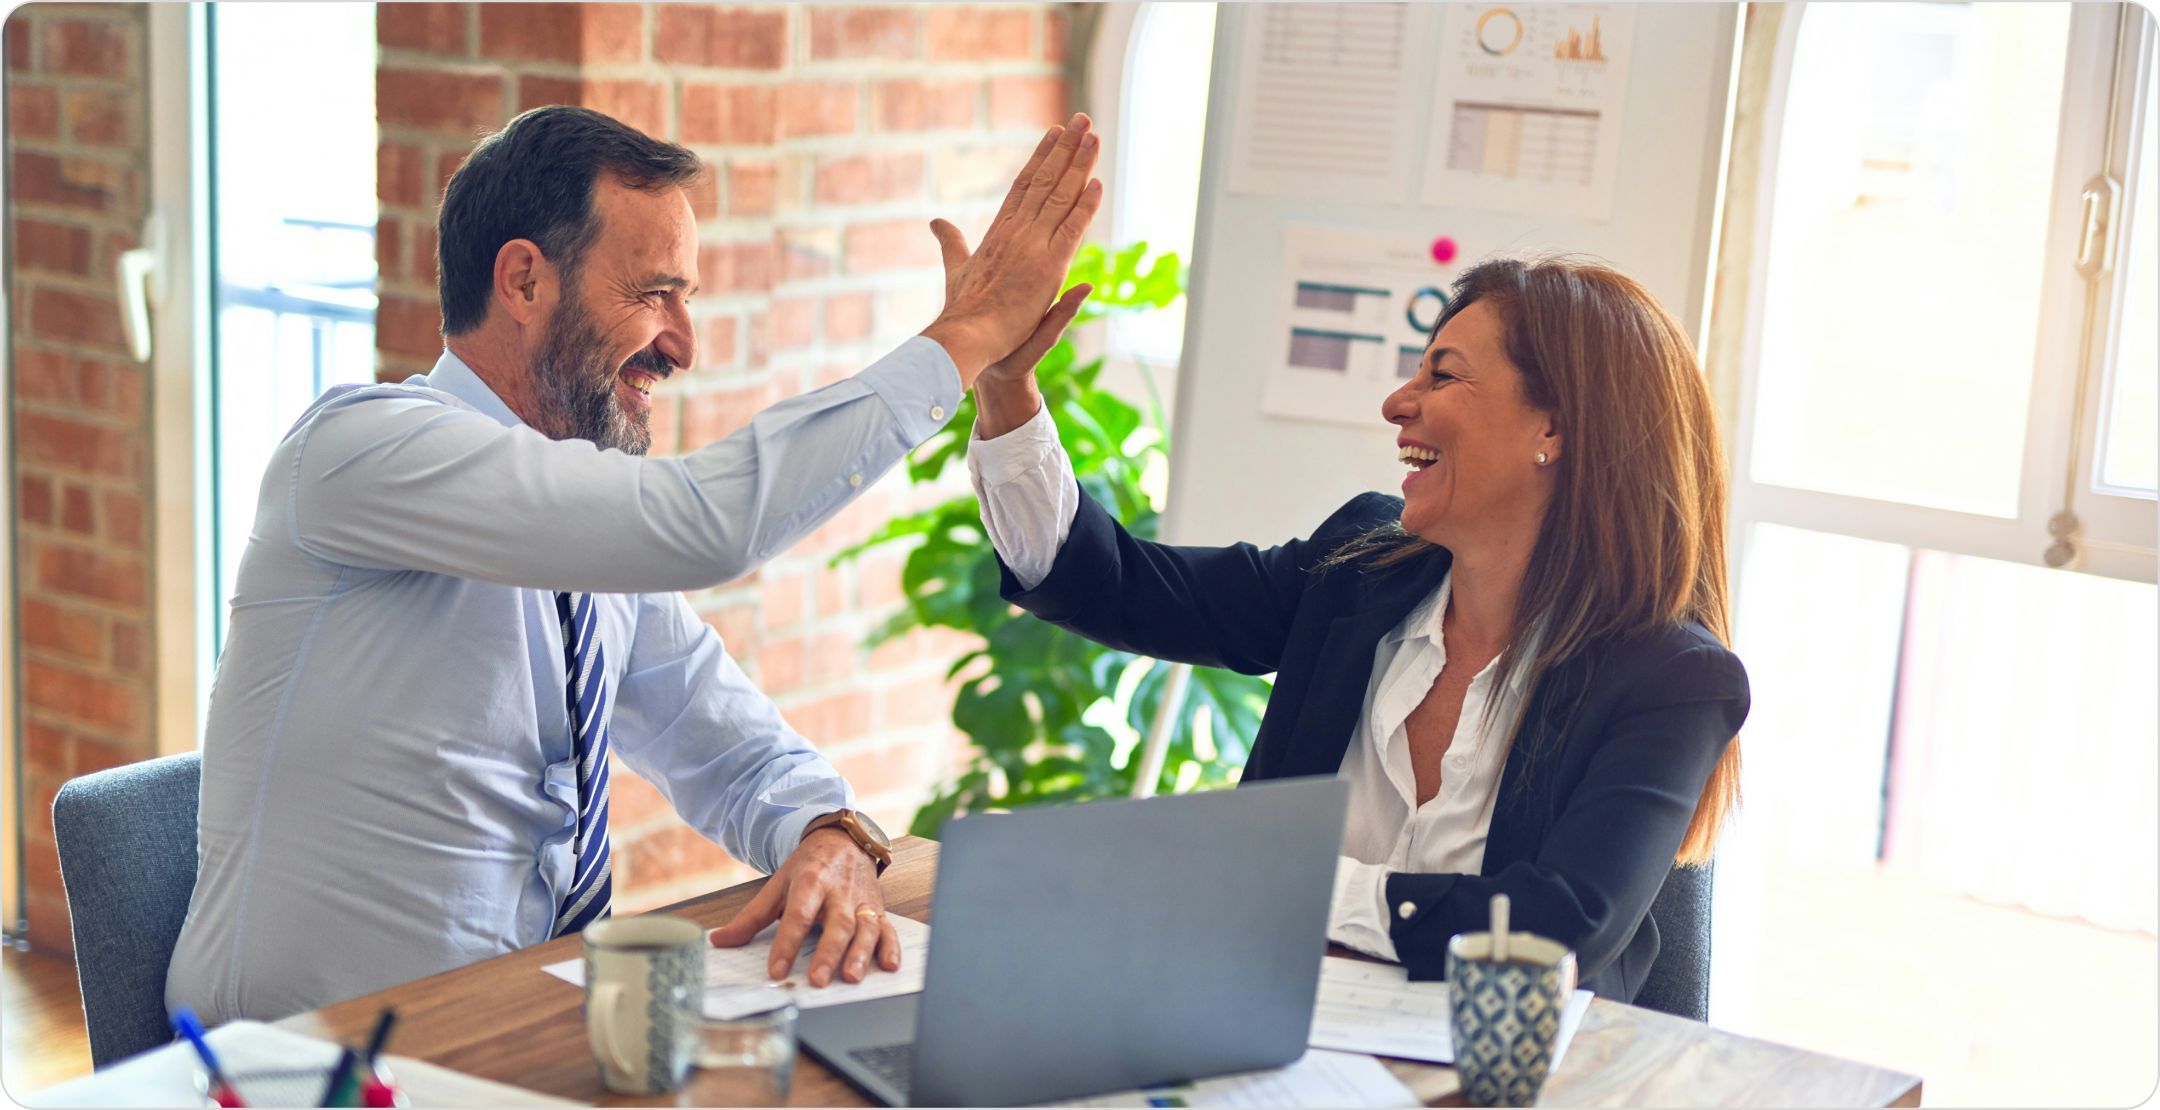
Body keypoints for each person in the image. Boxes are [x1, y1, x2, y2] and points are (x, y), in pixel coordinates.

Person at [167, 105, 1103, 1024]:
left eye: (685, 298)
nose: (683, 344)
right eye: (656, 292)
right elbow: (707, 524)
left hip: (511, 1036)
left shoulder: (587, 540)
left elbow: (727, 742)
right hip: (302, 1067)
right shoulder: (360, 451)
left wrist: (830, 832)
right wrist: (966, 338)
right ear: (525, 282)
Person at [966, 255, 1749, 1002]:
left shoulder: (1672, 679)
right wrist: (1007, 390)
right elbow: (1117, 585)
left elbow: (1553, 934)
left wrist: (1291, 883)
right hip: (1270, 1036)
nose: (1398, 403)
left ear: (1555, 428)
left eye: (1442, 374)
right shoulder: (1360, 569)